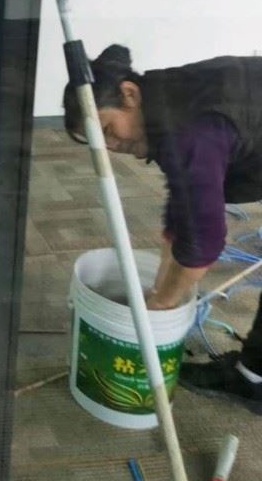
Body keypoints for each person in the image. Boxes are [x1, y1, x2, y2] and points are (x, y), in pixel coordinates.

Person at [63, 45, 262, 413]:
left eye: (107, 129)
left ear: (129, 94)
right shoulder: (165, 99)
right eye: (99, 141)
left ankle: (253, 382)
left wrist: (161, 305)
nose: (112, 146)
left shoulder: (189, 132)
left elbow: (204, 243)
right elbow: (185, 198)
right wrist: (161, 281)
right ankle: (254, 375)